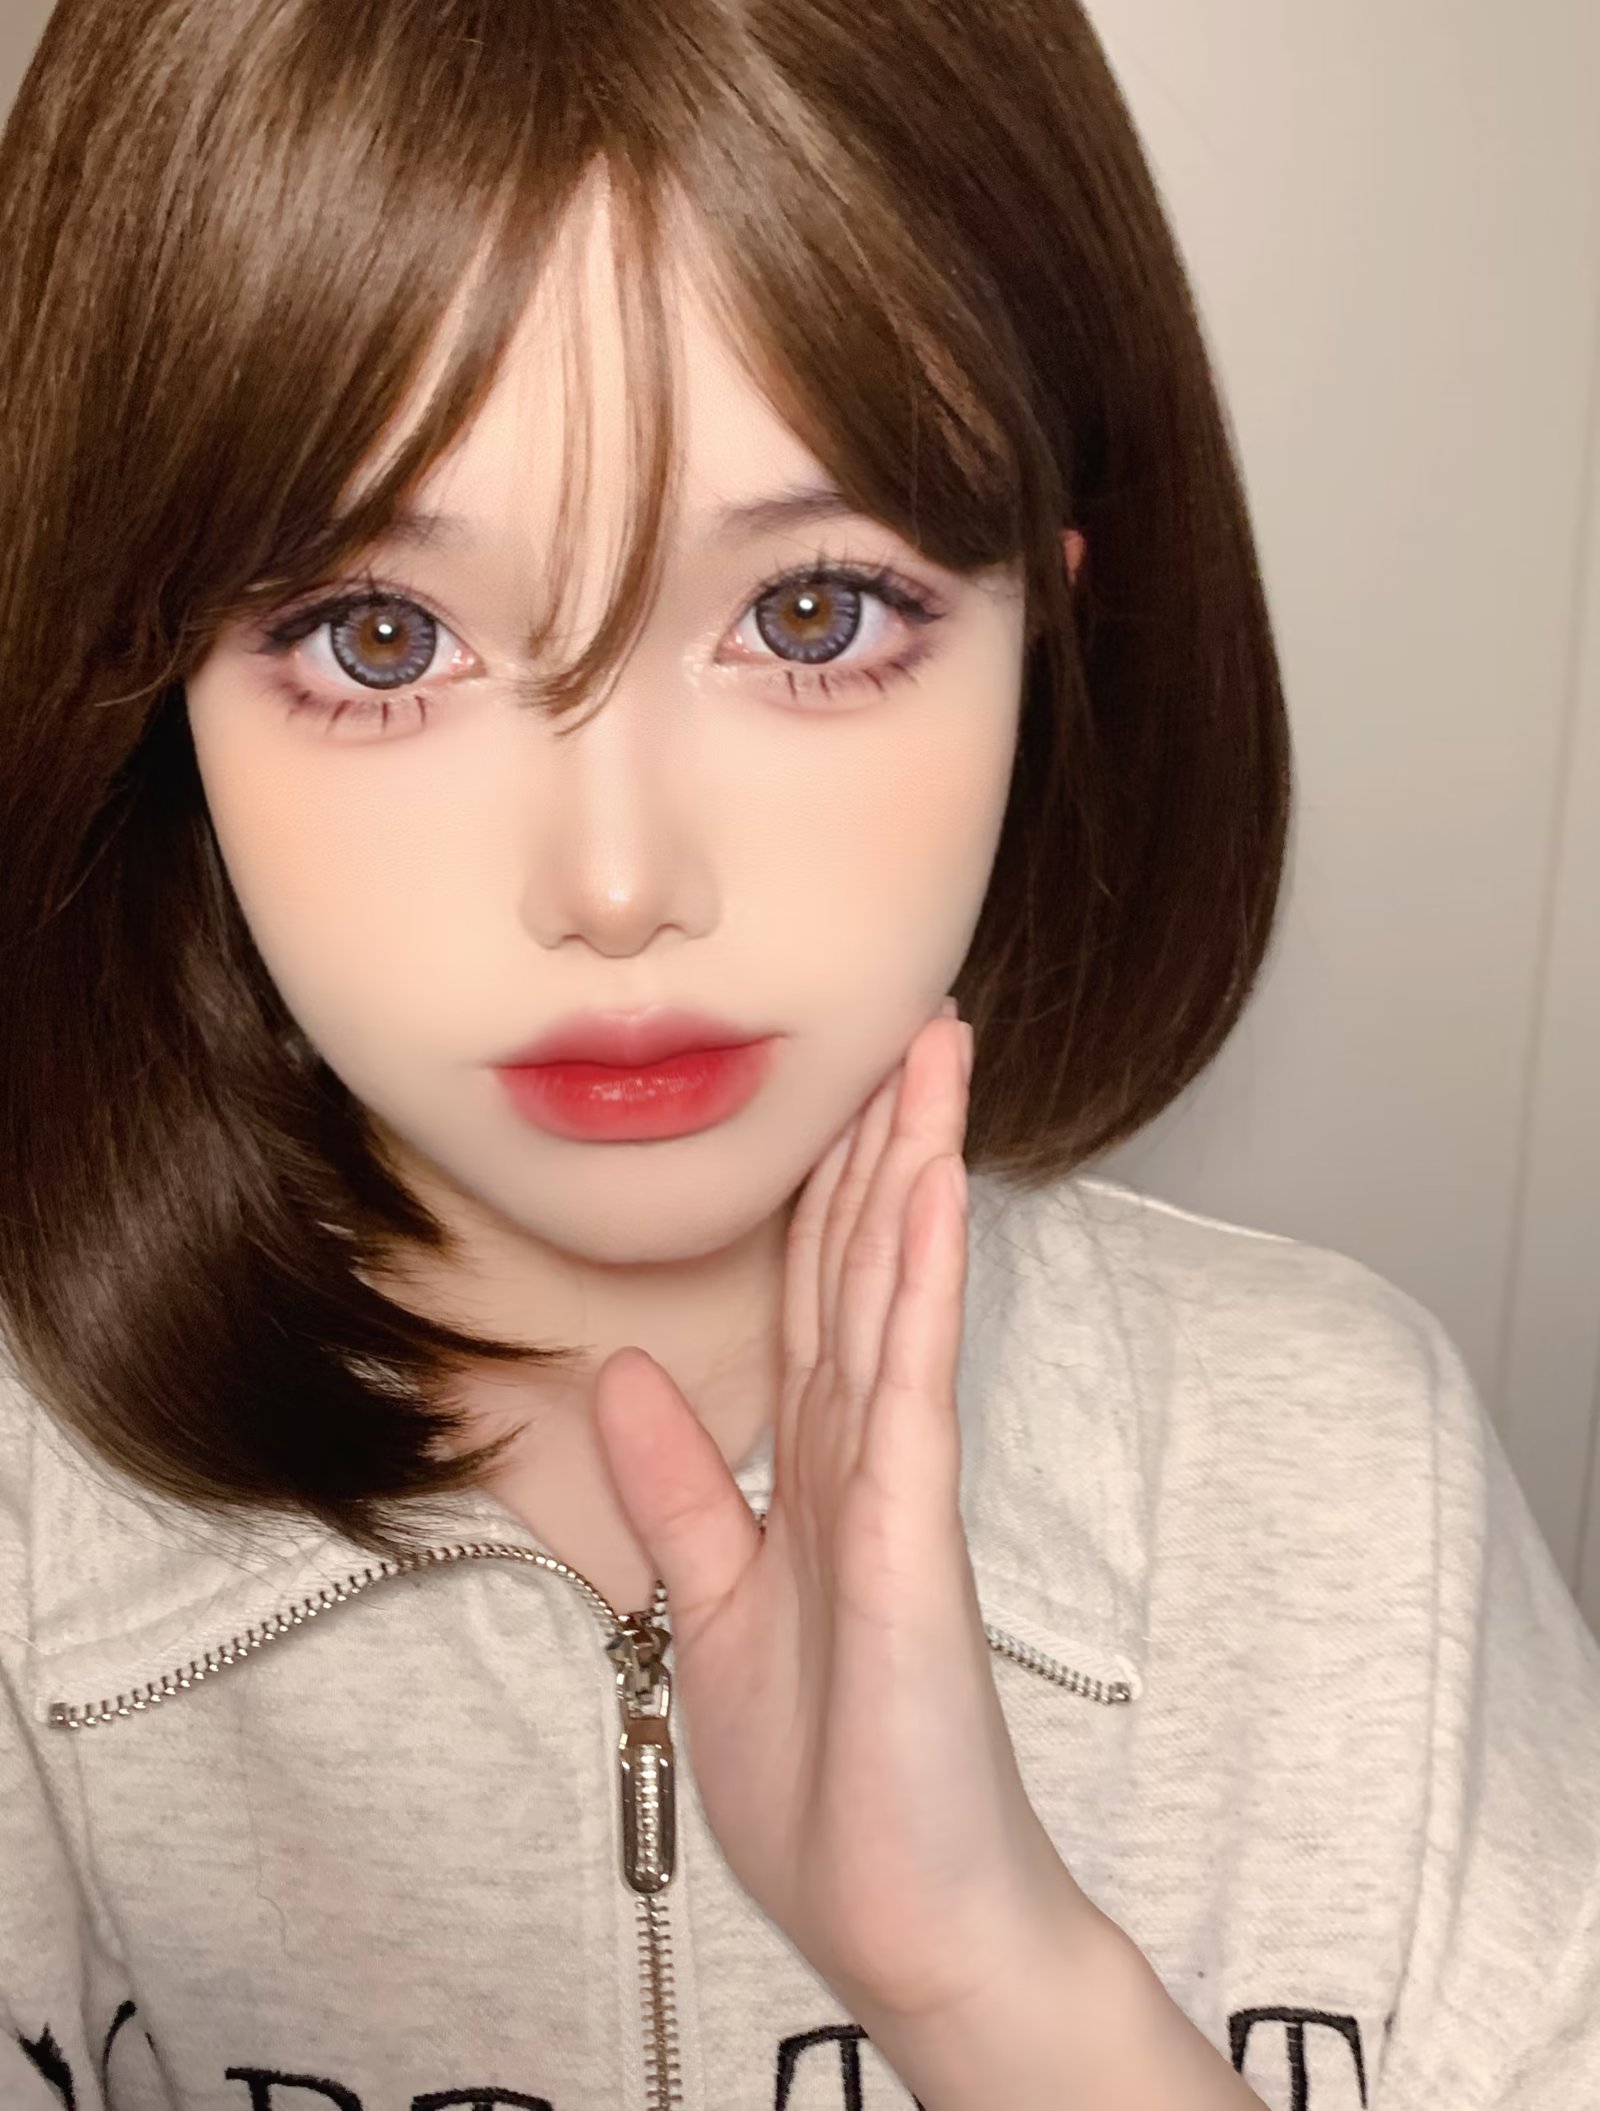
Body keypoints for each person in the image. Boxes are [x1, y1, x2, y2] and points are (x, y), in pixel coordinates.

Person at [1, 1, 1596, 2107]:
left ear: (1046, 625)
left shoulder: (1353, 1486)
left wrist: (999, 1991)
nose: (617, 882)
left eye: (811, 615)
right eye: (382, 638)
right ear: (144, 685)